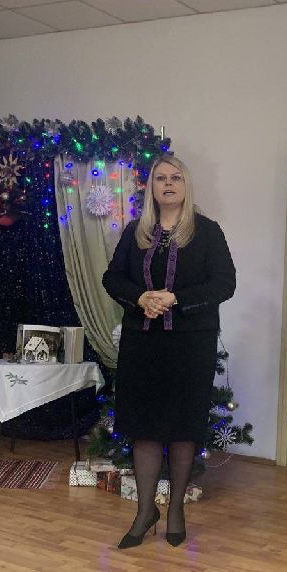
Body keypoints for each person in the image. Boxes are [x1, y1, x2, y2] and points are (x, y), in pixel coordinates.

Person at [102, 155, 236, 549]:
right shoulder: (136, 231)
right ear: (152, 188)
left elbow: (224, 283)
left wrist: (176, 298)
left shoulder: (207, 232)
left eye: (176, 177)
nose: (168, 184)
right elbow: (112, 278)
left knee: (182, 428)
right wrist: (140, 297)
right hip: (142, 343)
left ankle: (175, 509)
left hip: (190, 344)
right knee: (143, 428)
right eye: (161, 178)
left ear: (186, 185)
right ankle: (145, 511)